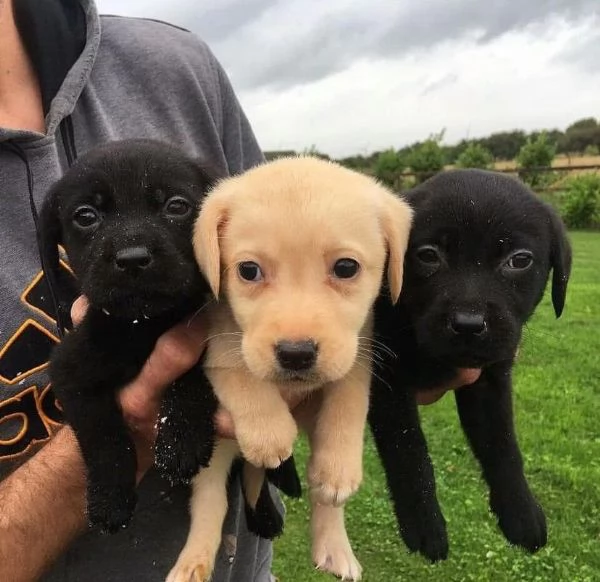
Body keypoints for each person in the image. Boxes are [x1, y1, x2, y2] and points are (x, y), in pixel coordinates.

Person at [0, 1, 479, 580]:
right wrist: (122, 434)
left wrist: (422, 340)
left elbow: (291, 237)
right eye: (249, 272)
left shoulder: (179, 66)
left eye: (177, 210)